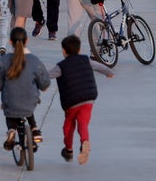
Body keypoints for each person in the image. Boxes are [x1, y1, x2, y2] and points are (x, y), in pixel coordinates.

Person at [48, 34, 114, 165]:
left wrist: (35, 80)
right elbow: (99, 66)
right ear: (79, 50)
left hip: (71, 102)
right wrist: (109, 72)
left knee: (68, 127)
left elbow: (47, 76)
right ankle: (85, 141)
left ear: (63, 51)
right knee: (83, 124)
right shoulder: (86, 60)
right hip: (88, 99)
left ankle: (69, 150)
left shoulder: (61, 66)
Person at [0, 27, 51, 150]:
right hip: (30, 100)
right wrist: (43, 87)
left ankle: (11, 130)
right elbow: (44, 83)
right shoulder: (34, 60)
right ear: (26, 41)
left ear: (10, 42)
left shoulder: (4, 60)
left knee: (11, 111)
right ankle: (34, 128)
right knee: (28, 105)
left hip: (11, 101)